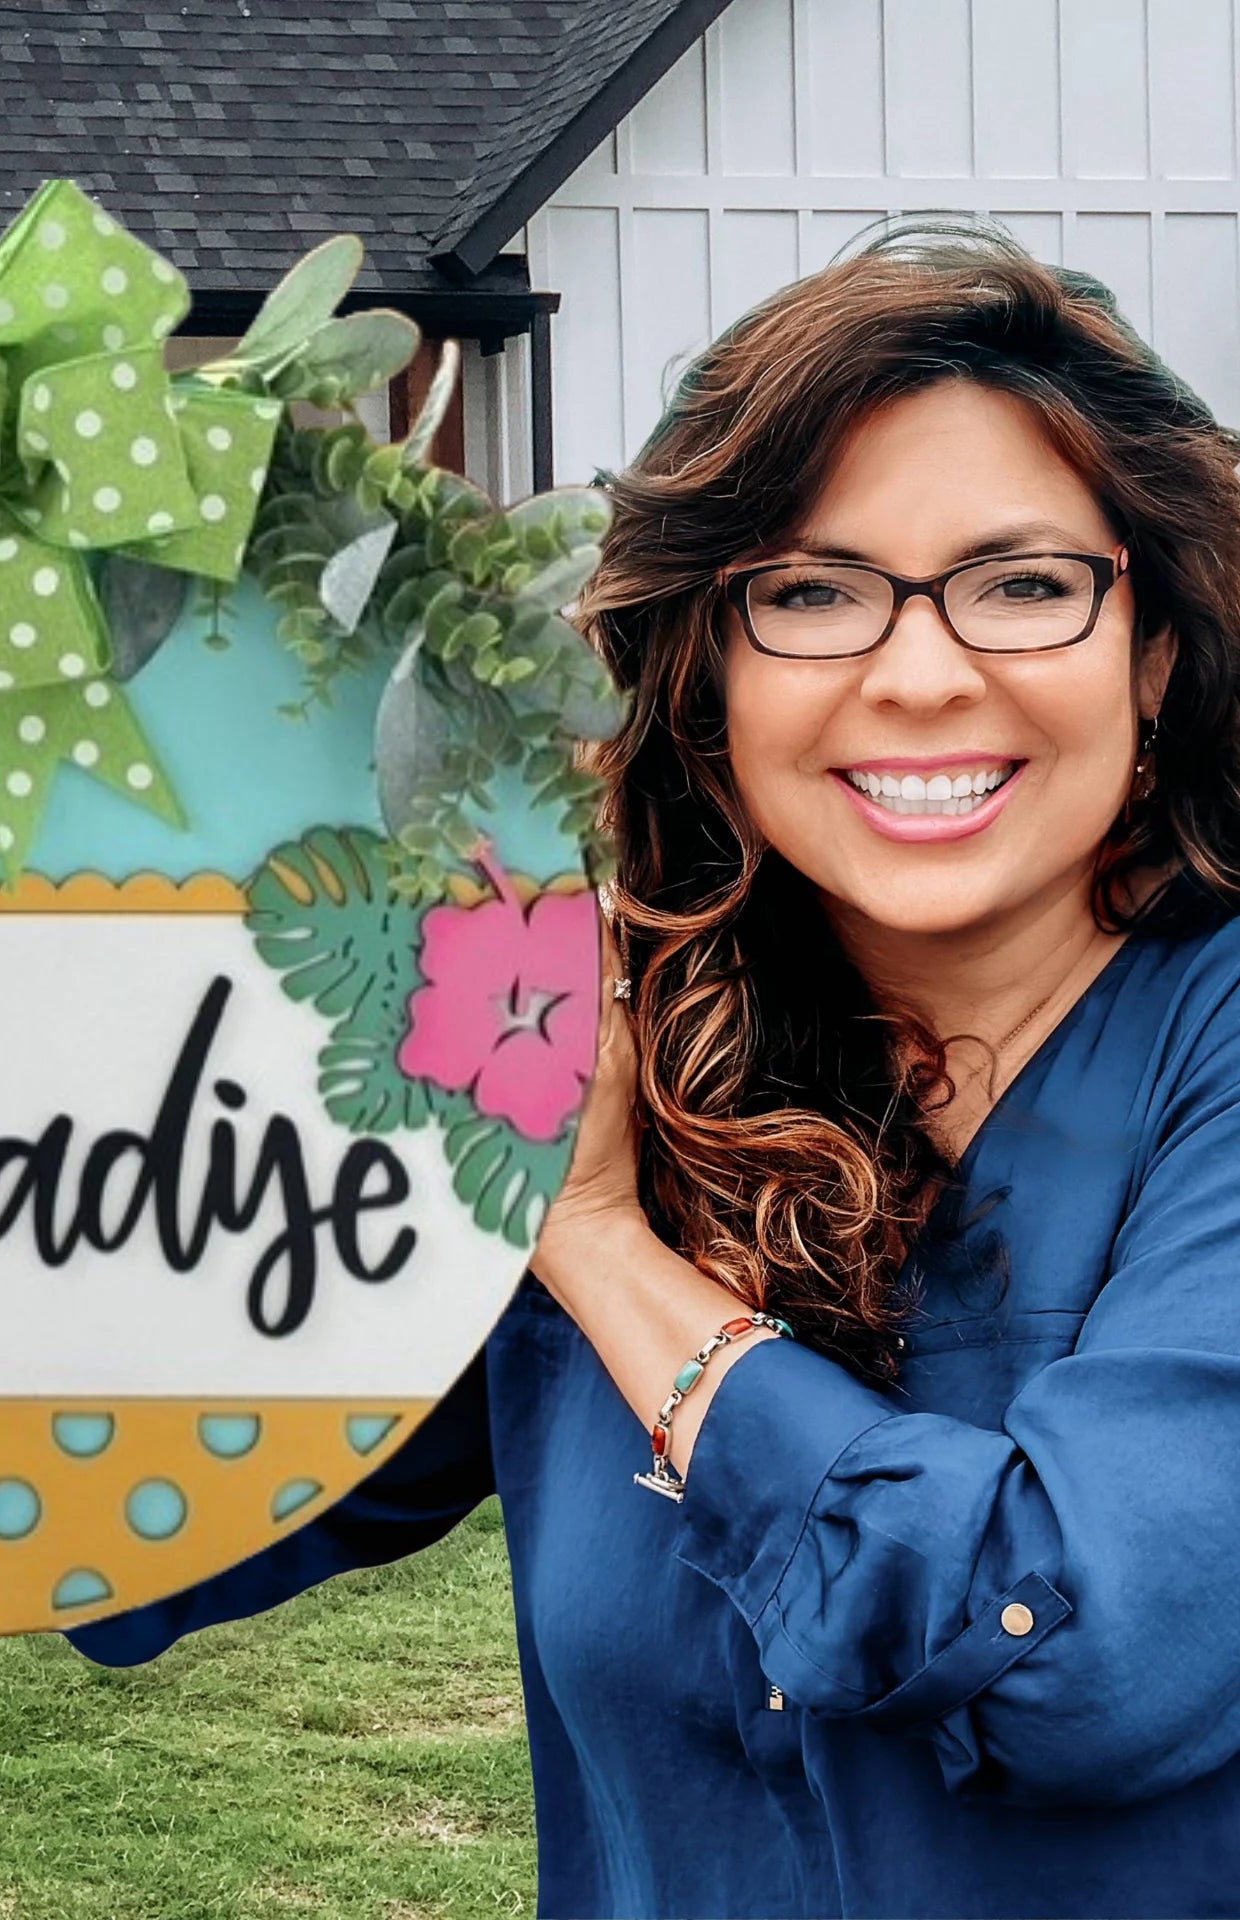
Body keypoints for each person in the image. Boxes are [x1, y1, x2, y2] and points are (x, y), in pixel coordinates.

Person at [64, 220, 1240, 1918]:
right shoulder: (609, 1041)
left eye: (1024, 583)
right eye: (814, 592)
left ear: (1154, 651)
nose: (921, 674)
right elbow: (148, 1509)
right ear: (708, 671)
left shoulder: (1197, 1056)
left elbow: (1081, 1658)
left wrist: (605, 1248)